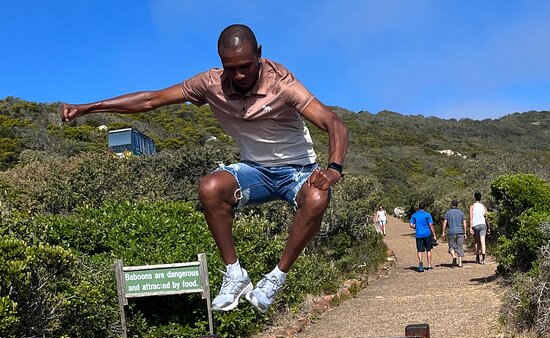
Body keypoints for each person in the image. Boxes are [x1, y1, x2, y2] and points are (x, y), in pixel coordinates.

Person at [60, 24, 348, 314]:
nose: (239, 75)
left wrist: (333, 169)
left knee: (317, 197)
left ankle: (275, 278)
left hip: (297, 171)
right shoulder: (210, 84)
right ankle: (235, 275)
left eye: (246, 66)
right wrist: (88, 108)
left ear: (259, 54)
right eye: (230, 68)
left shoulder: (282, 84)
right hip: (255, 171)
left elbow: (333, 123)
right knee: (210, 187)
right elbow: (151, 100)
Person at [409, 203, 437, 272]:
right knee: (428, 249)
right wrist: (434, 234)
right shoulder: (427, 215)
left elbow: (411, 225)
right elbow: (430, 225)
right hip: (427, 233)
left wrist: (416, 226)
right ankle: (429, 265)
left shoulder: (414, 215)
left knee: (420, 250)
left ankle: (420, 261)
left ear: (418, 207)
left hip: (419, 234)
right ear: (424, 207)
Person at [442, 199, 467, 267]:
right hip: (460, 232)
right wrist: (465, 232)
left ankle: (453, 255)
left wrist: (443, 232)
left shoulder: (448, 213)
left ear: (451, 204)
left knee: (451, 246)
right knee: (460, 246)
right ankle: (460, 263)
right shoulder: (461, 212)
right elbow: (464, 222)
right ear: (457, 205)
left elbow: (445, 222)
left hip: (451, 232)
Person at [469, 192, 490, 264]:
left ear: (474, 198)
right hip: (483, 225)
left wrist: (471, 227)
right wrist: (489, 227)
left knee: (477, 242)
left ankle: (477, 257)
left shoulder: (472, 206)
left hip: (475, 225)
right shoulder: (484, 207)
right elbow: (487, 218)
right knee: (483, 242)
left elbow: (471, 217)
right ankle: (483, 258)